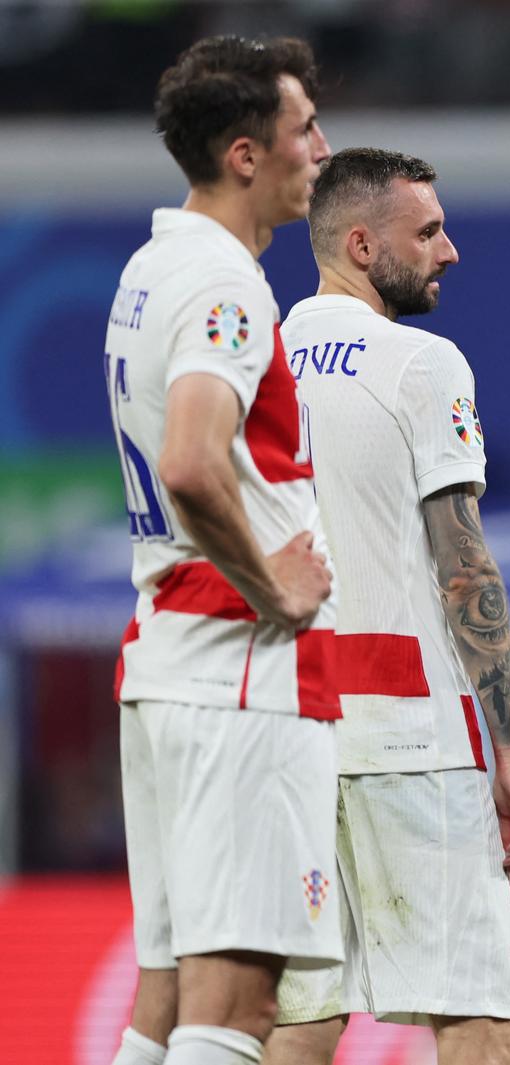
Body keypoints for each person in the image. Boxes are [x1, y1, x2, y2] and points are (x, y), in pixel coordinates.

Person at [262, 147, 510, 1065]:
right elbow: (465, 570)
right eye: (426, 232)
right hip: (408, 733)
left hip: (286, 729)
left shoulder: (253, 361)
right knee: (476, 1017)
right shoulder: (422, 364)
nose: (449, 250)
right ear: (358, 242)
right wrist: (509, 752)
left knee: (302, 1016)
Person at [104, 35, 336, 1065]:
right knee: (238, 1009)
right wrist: (273, 581)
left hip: (167, 665)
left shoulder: (155, 266)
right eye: (305, 130)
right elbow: (192, 461)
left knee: (164, 1002)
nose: (323, 150)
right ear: (247, 154)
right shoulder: (229, 288)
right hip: (233, 670)